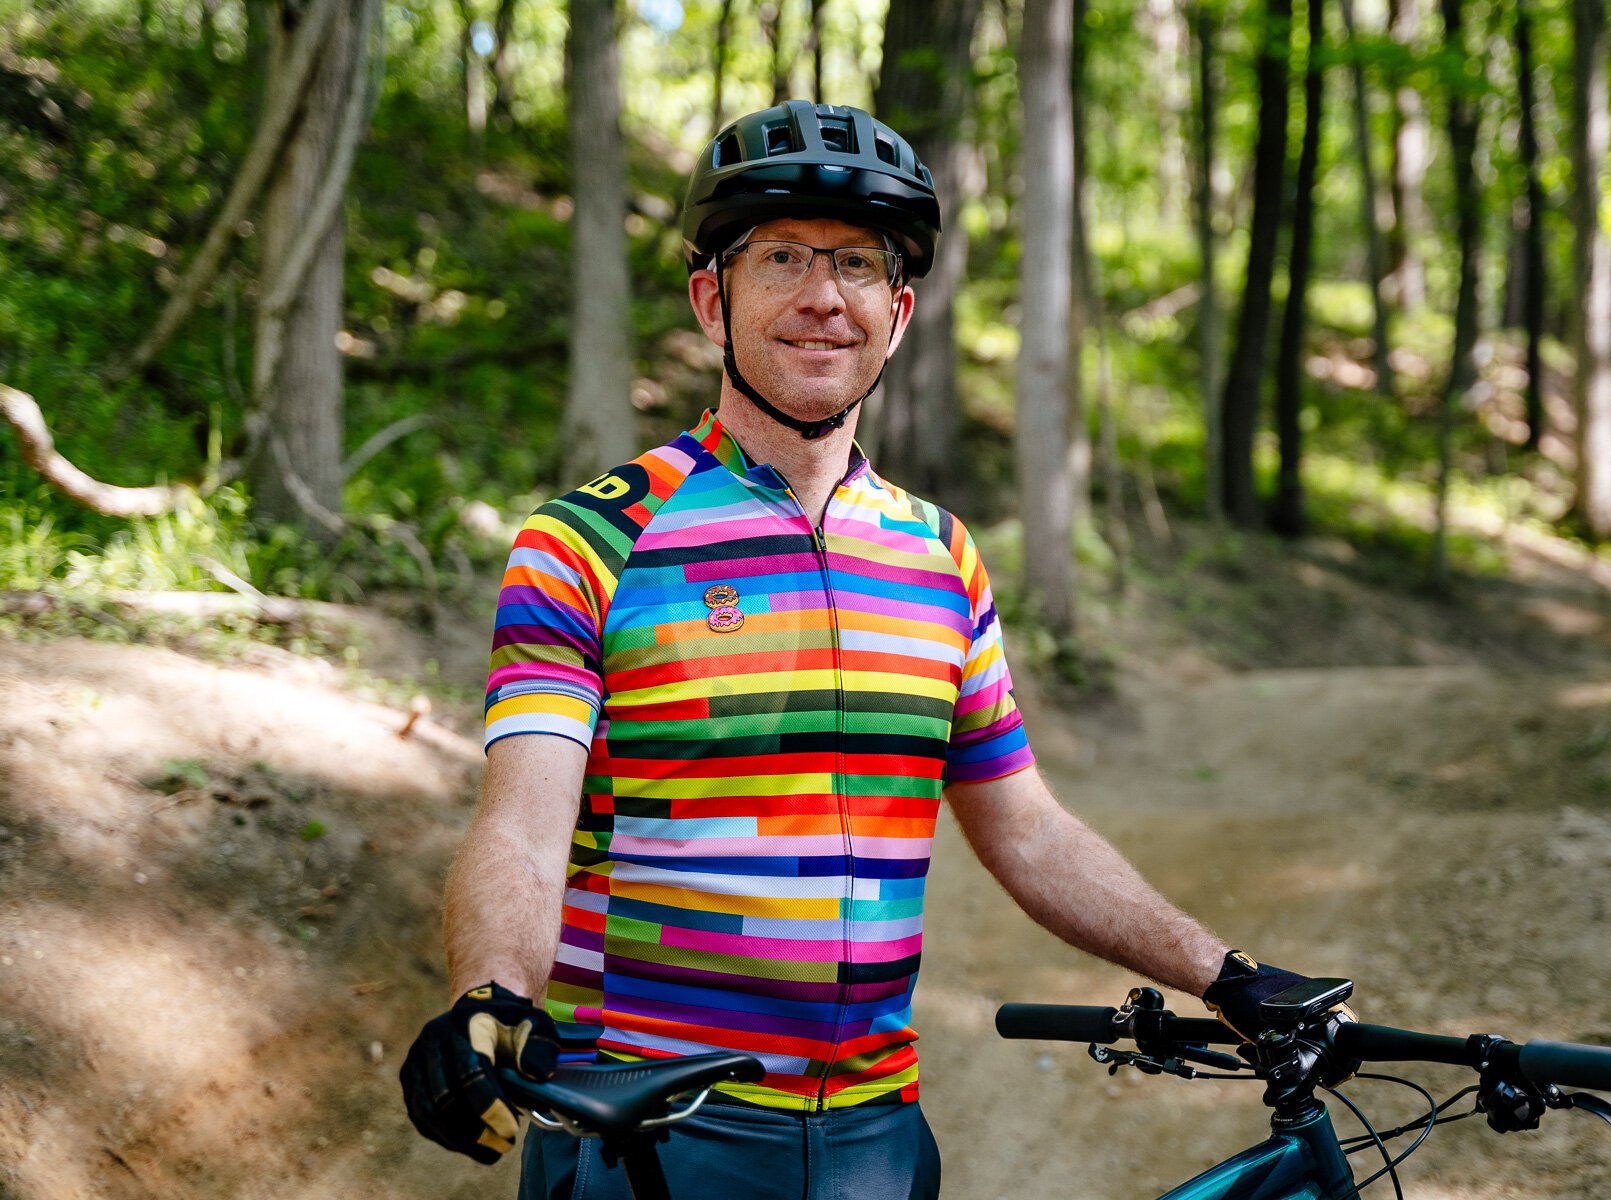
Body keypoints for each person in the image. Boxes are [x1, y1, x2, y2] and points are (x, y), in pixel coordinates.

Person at [400, 100, 1337, 1200]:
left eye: (854, 265)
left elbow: (1025, 829)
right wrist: (490, 997)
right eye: (782, 257)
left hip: (877, 1148)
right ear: (714, 299)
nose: (821, 298)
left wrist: (1224, 976)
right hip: (651, 1139)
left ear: (896, 316)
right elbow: (521, 822)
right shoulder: (593, 540)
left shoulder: (940, 555)